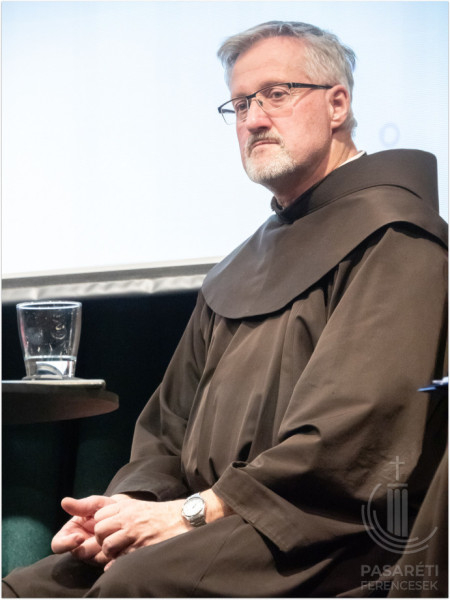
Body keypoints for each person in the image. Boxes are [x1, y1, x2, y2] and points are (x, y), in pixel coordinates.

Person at [3, 20, 447, 598]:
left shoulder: (394, 237)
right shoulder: (239, 267)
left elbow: (353, 438)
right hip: (214, 522)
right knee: (28, 588)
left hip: (320, 538)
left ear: (337, 104)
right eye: (240, 104)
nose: (254, 119)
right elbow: (166, 428)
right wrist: (125, 512)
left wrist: (193, 513)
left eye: (277, 94)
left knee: (135, 586)